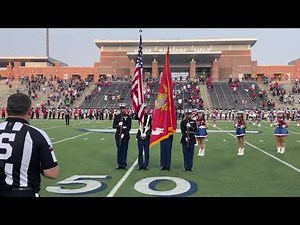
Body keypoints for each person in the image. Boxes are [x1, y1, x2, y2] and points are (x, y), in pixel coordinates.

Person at [0, 93, 59, 197]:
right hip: (24, 191)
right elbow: (52, 173)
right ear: (29, 111)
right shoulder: (36, 134)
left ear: (6, 110)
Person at [112, 103, 132, 169]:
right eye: (121, 109)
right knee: (119, 150)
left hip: (125, 136)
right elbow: (114, 126)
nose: (122, 110)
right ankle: (119, 163)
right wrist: (119, 125)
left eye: (123, 108)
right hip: (118, 136)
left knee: (124, 150)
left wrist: (124, 134)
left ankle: (124, 163)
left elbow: (129, 127)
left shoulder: (128, 117)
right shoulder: (117, 116)